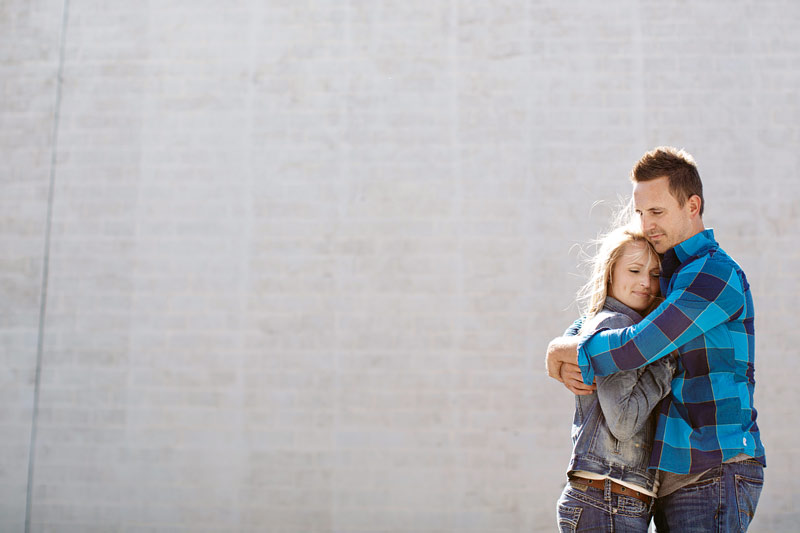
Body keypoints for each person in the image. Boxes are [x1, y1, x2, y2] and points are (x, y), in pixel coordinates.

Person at [546, 147, 766, 531]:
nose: (647, 224)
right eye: (640, 213)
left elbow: (636, 345)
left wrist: (565, 351)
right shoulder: (666, 272)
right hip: (671, 477)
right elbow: (608, 314)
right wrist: (566, 340)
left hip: (712, 467)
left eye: (657, 212)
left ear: (692, 206)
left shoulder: (712, 273)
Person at [556, 224, 677, 532]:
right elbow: (623, 421)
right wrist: (666, 363)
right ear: (610, 273)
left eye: (654, 274)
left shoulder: (615, 324)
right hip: (608, 498)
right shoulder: (617, 326)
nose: (646, 283)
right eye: (634, 271)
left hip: (609, 498)